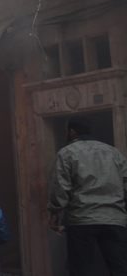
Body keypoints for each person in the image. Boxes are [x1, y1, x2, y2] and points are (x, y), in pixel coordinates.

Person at [48, 116, 127, 275]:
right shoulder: (113, 152)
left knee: (82, 269)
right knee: (119, 268)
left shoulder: (66, 153)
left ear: (72, 132)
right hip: (114, 220)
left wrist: (55, 213)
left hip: (82, 221)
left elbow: (60, 187)